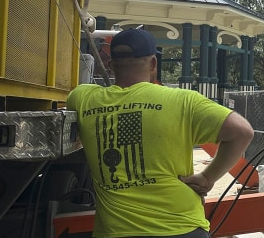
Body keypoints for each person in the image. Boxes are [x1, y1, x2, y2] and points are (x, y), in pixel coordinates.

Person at [66, 28, 254, 237]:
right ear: (153, 64)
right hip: (183, 228)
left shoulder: (83, 99)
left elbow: (76, 93)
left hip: (118, 232)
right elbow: (242, 132)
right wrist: (207, 178)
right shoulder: (183, 101)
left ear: (110, 66)